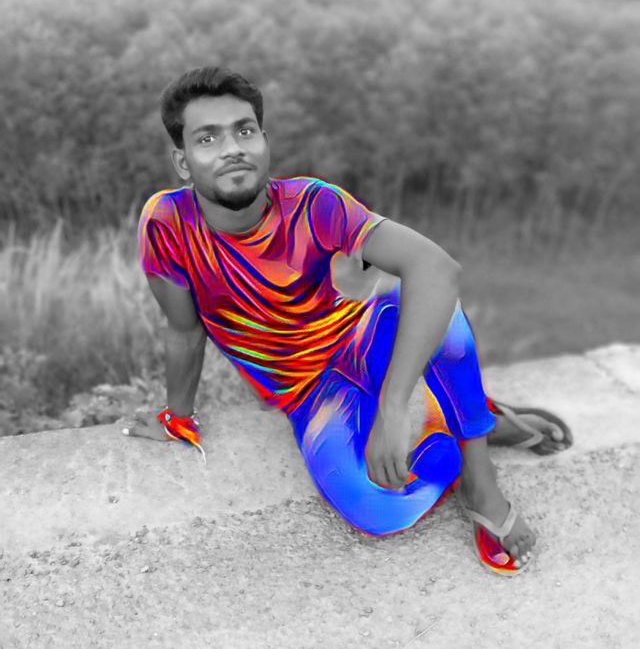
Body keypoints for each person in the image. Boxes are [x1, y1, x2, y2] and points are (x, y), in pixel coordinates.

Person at [123, 66, 572, 576]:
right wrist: (177, 416)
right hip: (307, 392)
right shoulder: (167, 224)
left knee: (436, 309)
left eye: (244, 130)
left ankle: (479, 476)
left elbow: (437, 268)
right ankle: (469, 419)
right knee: (381, 512)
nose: (232, 149)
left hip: (362, 338)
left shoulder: (315, 203)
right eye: (208, 138)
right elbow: (185, 331)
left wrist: (394, 407)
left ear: (265, 141)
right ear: (183, 162)